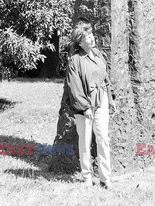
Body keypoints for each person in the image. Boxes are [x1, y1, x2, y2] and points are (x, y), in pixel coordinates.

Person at [65, 18, 115, 189]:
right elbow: (74, 86)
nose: (92, 38)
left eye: (91, 34)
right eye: (87, 36)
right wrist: (84, 107)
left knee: (103, 139)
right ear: (79, 41)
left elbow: (105, 78)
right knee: (85, 142)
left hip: (101, 101)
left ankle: (105, 178)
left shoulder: (99, 54)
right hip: (84, 107)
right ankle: (86, 177)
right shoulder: (75, 60)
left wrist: (111, 98)